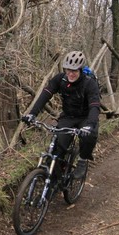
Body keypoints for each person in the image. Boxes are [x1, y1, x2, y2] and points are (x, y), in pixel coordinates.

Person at [22, 50, 101, 178]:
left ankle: (82, 160)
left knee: (89, 136)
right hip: (68, 116)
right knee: (58, 146)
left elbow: (94, 106)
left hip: (85, 117)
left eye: (74, 70)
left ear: (80, 69)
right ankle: (55, 177)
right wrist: (32, 114)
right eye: (68, 69)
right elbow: (45, 94)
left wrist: (90, 124)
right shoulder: (61, 79)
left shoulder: (89, 83)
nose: (70, 73)